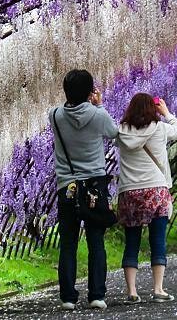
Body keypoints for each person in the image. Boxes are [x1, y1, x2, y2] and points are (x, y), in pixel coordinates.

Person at [50, 69, 119, 311]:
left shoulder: (55, 115)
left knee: (68, 242)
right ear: (90, 91)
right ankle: (96, 295)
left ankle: (68, 298)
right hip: (93, 188)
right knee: (96, 241)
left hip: (67, 187)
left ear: (66, 90)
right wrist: (99, 106)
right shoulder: (98, 115)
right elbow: (113, 132)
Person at [116, 93, 177, 304]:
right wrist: (166, 113)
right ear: (153, 110)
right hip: (156, 191)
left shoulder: (121, 132)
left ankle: (132, 292)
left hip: (130, 193)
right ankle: (158, 289)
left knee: (132, 242)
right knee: (157, 240)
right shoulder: (160, 128)